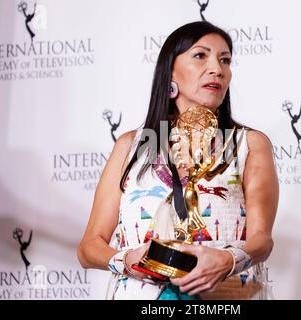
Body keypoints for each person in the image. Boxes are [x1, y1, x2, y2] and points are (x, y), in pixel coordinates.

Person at [77, 21, 279, 300]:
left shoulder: (249, 144)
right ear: (170, 70)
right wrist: (128, 260)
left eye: (225, 60)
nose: (217, 69)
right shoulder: (130, 146)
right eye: (200, 55)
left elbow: (262, 240)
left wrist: (230, 260)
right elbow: (89, 247)